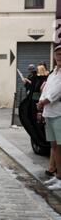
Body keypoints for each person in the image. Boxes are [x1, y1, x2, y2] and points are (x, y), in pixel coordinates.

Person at [38, 44, 61, 190]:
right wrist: (41, 103)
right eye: (58, 54)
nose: (59, 57)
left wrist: (43, 102)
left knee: (59, 147)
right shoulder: (53, 73)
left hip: (59, 113)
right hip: (49, 113)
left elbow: (56, 93)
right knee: (54, 147)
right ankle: (58, 176)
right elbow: (45, 90)